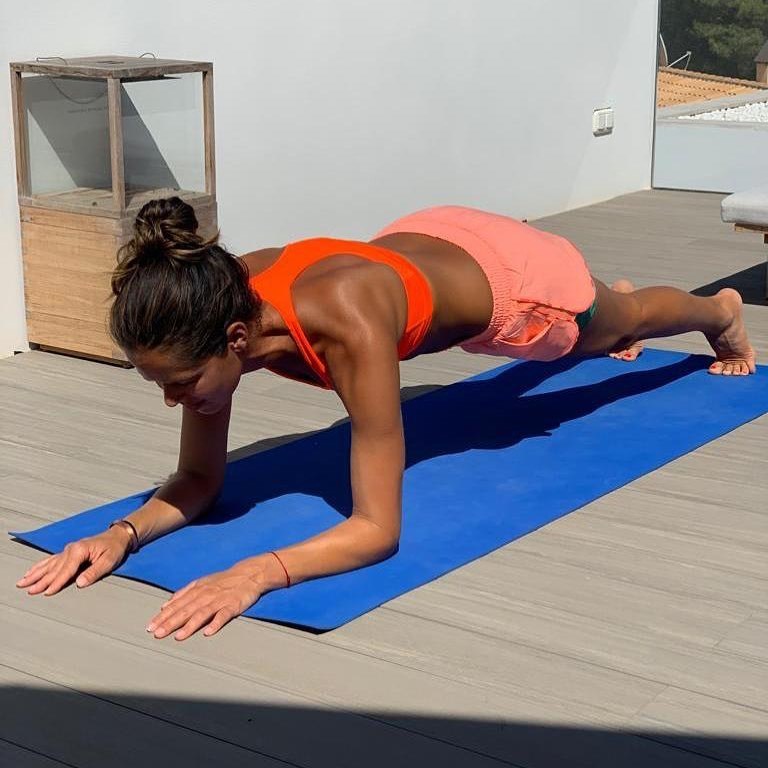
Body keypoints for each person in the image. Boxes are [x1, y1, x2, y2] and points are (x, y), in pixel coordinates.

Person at [16, 197, 756, 641]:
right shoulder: (213, 301)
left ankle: (714, 311)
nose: (173, 401)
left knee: (616, 323)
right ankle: (599, 302)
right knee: (600, 320)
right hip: (424, 243)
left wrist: (255, 573)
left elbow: (377, 528)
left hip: (511, 283)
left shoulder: (348, 322)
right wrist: (119, 534)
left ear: (236, 341)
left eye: (179, 384)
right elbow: (200, 479)